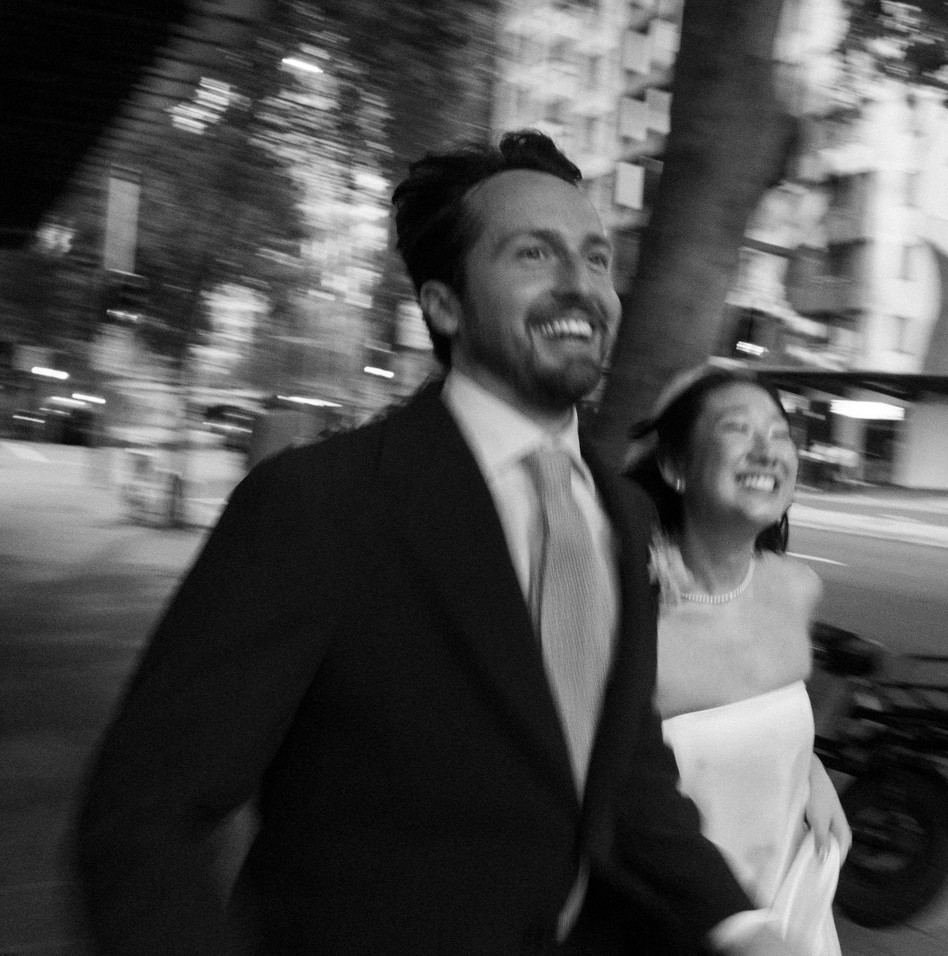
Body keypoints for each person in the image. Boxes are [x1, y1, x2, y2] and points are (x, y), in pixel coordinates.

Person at [73, 131, 804, 956]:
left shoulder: (625, 516)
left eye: (597, 258)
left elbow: (621, 771)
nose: (581, 285)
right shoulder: (319, 505)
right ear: (443, 303)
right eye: (534, 253)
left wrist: (739, 922)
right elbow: (145, 821)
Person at [626, 365, 851, 956]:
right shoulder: (630, 607)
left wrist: (810, 770)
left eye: (780, 433)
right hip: (670, 923)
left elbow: (768, 721)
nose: (766, 449)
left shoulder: (797, 588)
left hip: (786, 920)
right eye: (738, 429)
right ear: (676, 467)